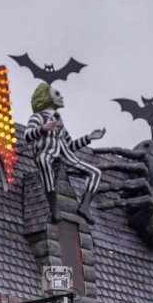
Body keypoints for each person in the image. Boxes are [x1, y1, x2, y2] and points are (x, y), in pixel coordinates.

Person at [23, 82, 105, 224]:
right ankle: (53, 204)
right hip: (46, 154)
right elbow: (27, 135)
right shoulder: (37, 117)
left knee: (96, 172)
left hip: (64, 158)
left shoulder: (59, 121)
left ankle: (85, 206)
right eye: (57, 94)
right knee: (43, 160)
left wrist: (89, 138)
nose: (61, 97)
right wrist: (43, 128)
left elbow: (69, 145)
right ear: (46, 97)